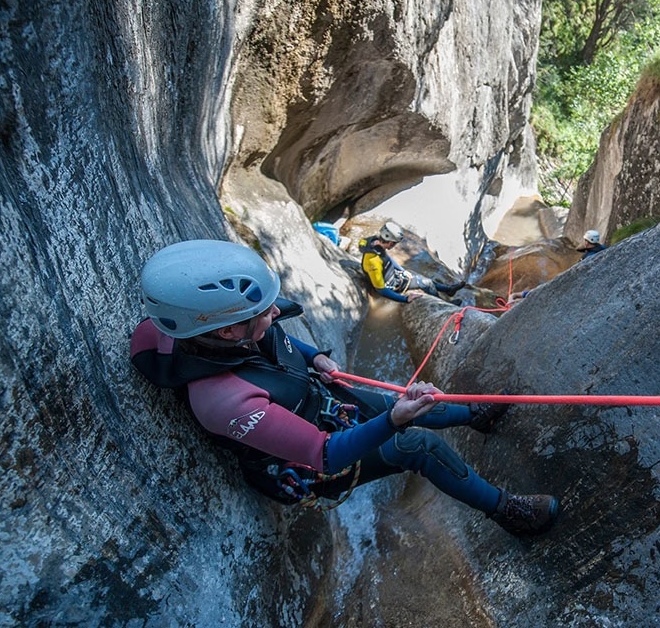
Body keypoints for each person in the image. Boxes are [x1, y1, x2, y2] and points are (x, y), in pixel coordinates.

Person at [130, 239, 558, 536]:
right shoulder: (225, 401)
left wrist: (315, 356)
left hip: (318, 400)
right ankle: (508, 512)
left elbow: (275, 340)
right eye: (262, 312)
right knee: (417, 446)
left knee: (407, 400)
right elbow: (324, 453)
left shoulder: (215, 327)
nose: (274, 313)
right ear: (227, 332)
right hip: (307, 462)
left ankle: (476, 417)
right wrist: (393, 421)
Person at [358, 221, 466, 303]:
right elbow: (381, 289)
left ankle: (448, 289)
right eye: (394, 243)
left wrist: (402, 271)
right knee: (426, 283)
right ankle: (444, 304)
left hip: (393, 275)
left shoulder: (374, 243)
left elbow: (387, 260)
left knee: (418, 276)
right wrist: (405, 299)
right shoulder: (373, 262)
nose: (394, 245)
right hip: (391, 284)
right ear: (389, 241)